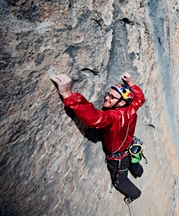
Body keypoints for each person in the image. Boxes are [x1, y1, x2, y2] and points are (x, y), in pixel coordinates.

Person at [50, 72, 146, 204]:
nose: (106, 97)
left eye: (112, 97)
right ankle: (139, 172)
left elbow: (94, 118)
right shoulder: (131, 108)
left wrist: (68, 95)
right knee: (132, 161)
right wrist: (130, 83)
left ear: (121, 102)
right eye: (108, 93)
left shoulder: (113, 117)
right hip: (129, 146)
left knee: (119, 181)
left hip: (118, 157)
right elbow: (139, 98)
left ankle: (135, 194)